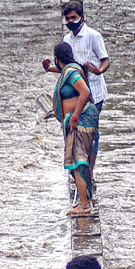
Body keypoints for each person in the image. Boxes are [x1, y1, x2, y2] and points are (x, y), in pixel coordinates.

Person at [44, 1, 110, 171]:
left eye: (74, 17)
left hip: (93, 91)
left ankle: (89, 170)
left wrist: (97, 71)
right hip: (75, 92)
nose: (70, 21)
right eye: (67, 19)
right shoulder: (66, 39)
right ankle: (78, 167)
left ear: (81, 17)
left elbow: (106, 61)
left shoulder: (93, 36)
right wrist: (49, 68)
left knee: (91, 132)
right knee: (76, 130)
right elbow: (66, 68)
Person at [51, 42, 98, 217]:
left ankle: (84, 205)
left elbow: (84, 92)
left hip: (81, 120)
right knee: (79, 161)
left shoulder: (70, 72)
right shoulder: (70, 70)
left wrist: (75, 117)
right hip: (77, 121)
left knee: (79, 161)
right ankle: (84, 200)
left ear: (57, 58)